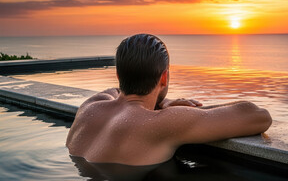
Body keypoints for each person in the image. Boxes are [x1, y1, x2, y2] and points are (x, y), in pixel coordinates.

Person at [66, 34, 272, 166]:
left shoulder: (91, 106)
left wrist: (163, 103)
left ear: (119, 75)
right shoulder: (163, 123)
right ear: (163, 78)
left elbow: (117, 93)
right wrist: (170, 107)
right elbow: (258, 116)